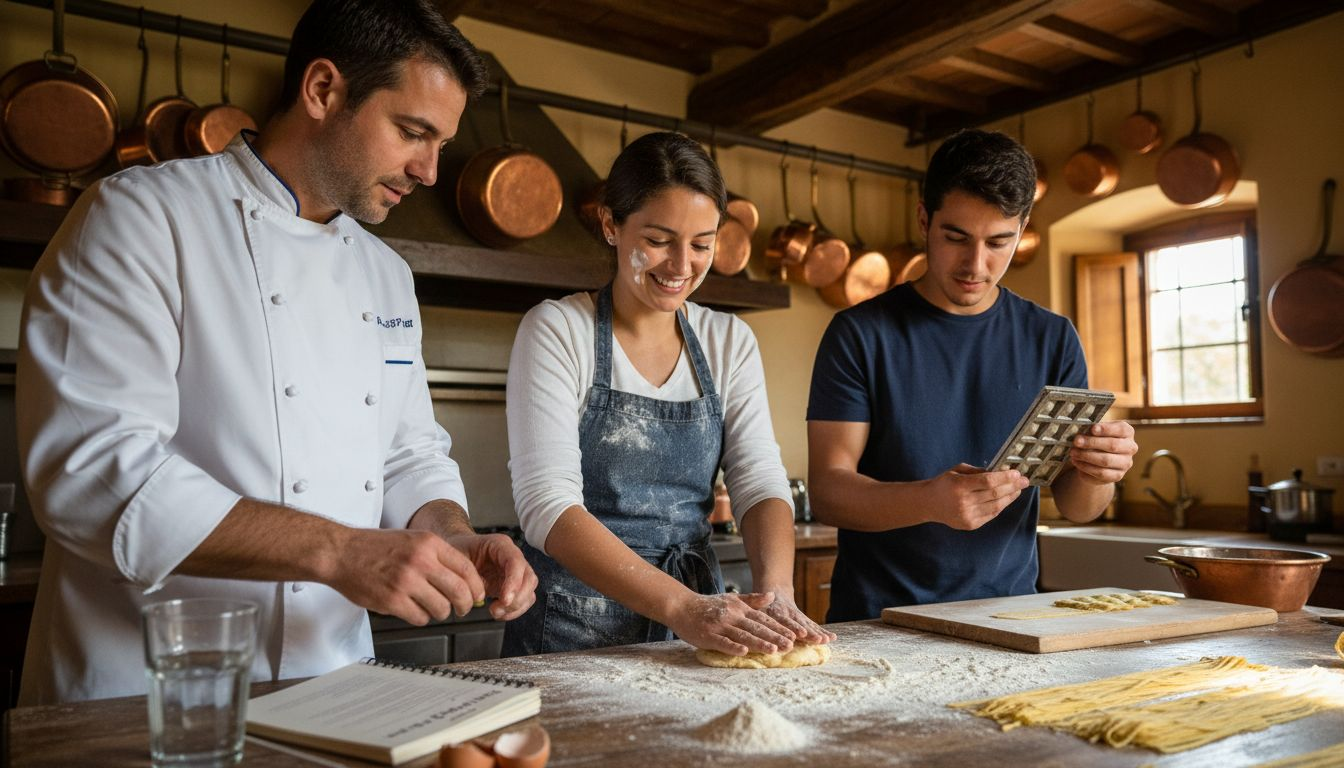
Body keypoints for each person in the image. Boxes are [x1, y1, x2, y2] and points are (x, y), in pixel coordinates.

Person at [16, 0, 536, 705]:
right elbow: (92, 472)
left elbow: (408, 454)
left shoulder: (385, 273)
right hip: (144, 689)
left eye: (440, 143)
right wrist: (341, 551)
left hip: (332, 684)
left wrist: (455, 537)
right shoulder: (140, 217)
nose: (430, 172)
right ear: (324, 90)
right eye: (413, 132)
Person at [501, 131, 834, 658]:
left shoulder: (729, 342)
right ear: (611, 225)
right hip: (571, 630)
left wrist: (778, 593)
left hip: (699, 622)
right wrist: (682, 608)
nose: (682, 265)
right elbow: (548, 506)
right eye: (658, 240)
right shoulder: (559, 329)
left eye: (702, 244)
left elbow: (758, 479)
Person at [806, 129, 1138, 621]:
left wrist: (1101, 471)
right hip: (879, 620)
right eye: (955, 237)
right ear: (924, 218)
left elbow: (1078, 505)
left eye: (999, 242)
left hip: (1010, 618)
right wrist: (929, 501)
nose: (975, 265)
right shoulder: (859, 333)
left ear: (1021, 231)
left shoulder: (1053, 337)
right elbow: (829, 492)